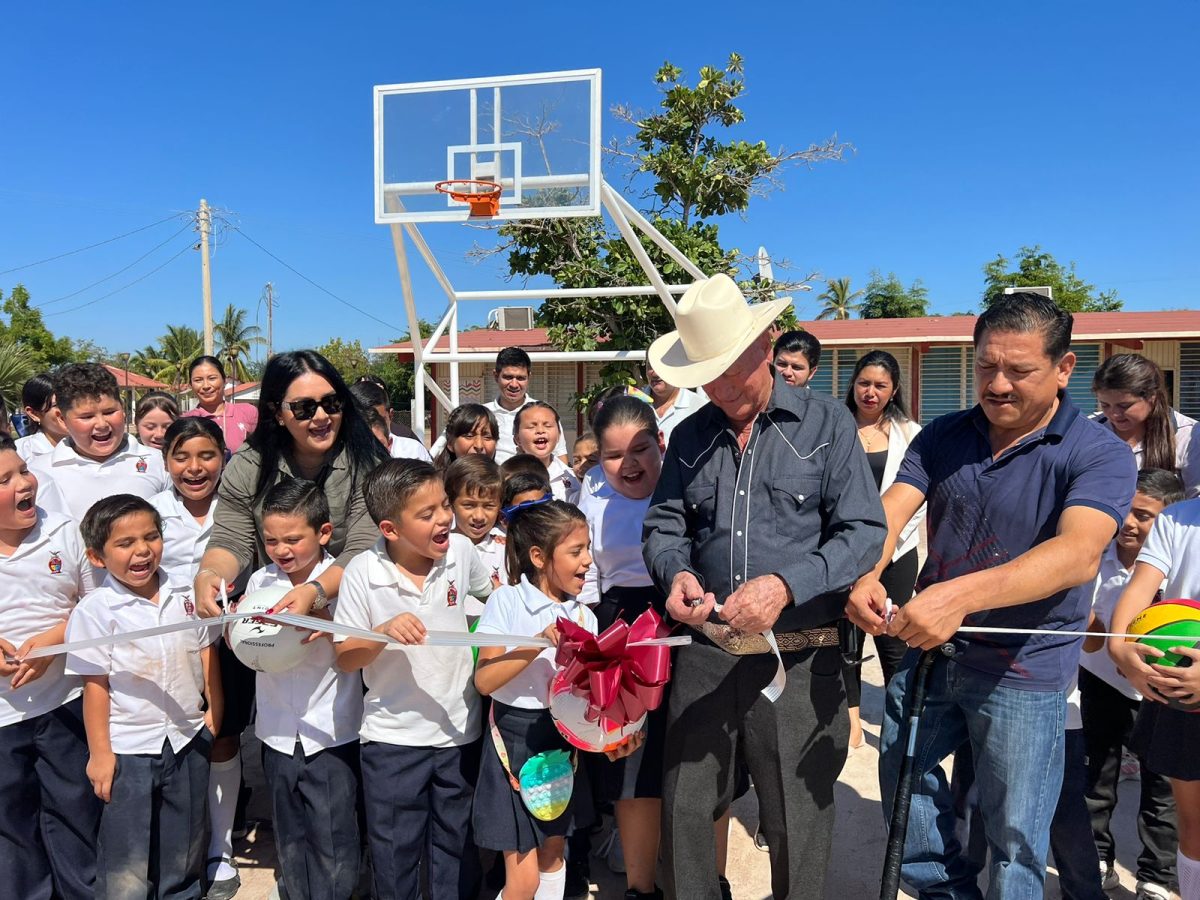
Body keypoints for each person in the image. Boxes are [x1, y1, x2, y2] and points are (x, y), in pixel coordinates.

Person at [847, 291, 1138, 898]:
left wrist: (956, 598)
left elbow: (1078, 552)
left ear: (1064, 369)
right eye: (985, 367)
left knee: (1014, 845)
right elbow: (887, 519)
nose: (998, 385)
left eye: (1019, 371)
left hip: (1024, 670)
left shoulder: (1097, 452)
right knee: (908, 808)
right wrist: (863, 574)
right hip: (932, 656)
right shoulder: (943, 436)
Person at [642, 274, 887, 900]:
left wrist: (786, 583)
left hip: (800, 656)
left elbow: (863, 532)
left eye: (733, 369)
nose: (722, 387)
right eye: (708, 374)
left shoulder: (828, 424)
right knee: (686, 809)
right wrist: (678, 574)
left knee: (796, 819)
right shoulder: (692, 436)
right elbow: (665, 526)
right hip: (705, 654)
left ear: (769, 342)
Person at [192, 349, 387, 894]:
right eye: (304, 408)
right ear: (277, 412)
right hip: (272, 623)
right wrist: (211, 575)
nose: (321, 416)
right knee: (291, 806)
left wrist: (314, 591)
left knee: (339, 804)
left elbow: (368, 548)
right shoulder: (247, 467)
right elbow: (229, 538)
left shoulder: (366, 462)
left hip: (350, 620)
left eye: (332, 402)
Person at [335, 459, 492, 900]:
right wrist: (381, 634)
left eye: (444, 505)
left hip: (460, 733)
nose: (444, 518)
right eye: (426, 515)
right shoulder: (363, 573)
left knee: (455, 850)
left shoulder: (461, 554)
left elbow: (491, 600)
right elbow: (346, 658)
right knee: (394, 853)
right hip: (392, 742)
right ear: (390, 529)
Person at [66, 494, 222, 899]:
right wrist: (101, 754)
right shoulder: (95, 611)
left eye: (151, 537)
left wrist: (213, 708)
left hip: (187, 738)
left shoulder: (186, 594)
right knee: (126, 858)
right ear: (97, 557)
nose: (142, 551)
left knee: (185, 844)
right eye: (124, 543)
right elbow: (95, 686)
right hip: (129, 748)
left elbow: (206, 651)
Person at [473, 498, 617, 900]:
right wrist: (534, 644)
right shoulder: (507, 602)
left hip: (562, 744)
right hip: (514, 741)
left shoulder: (584, 615)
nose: (588, 560)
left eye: (587, 548)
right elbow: (484, 680)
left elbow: (589, 694)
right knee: (523, 879)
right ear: (538, 556)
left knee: (554, 856)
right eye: (576, 551)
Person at [249, 479, 364, 900]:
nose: (282, 550)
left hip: (331, 732)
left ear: (324, 533)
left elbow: (358, 641)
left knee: (333, 832)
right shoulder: (259, 584)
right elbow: (241, 644)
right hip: (276, 732)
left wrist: (325, 616)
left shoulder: (346, 582)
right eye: (272, 540)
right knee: (290, 832)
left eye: (294, 539)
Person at [577, 395, 670, 900]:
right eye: (613, 455)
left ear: (660, 443)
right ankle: (641, 885)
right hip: (619, 625)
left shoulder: (688, 478)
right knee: (633, 755)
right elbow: (583, 565)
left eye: (639, 449)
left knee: (692, 751)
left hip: (686, 617)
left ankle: (702, 876)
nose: (627, 464)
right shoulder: (589, 491)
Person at [0, 434, 101, 900]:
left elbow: (98, 606)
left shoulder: (64, 532)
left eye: (23, 470)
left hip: (65, 703)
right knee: (12, 827)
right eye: (6, 480)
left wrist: (56, 642)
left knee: (75, 811)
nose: (25, 483)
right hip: (5, 720)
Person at [1079, 468, 1183, 900]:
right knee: (1096, 777)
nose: (1129, 523)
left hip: (1164, 690)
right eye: (1126, 510)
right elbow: (1085, 641)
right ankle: (1096, 858)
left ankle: (1157, 876)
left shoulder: (1179, 567)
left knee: (1163, 788)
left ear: (1172, 522)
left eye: (1143, 515)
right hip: (1102, 682)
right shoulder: (1095, 560)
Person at [1108, 489, 1200, 900]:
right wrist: (1119, 647)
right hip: (1184, 694)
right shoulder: (1178, 519)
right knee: (1193, 824)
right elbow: (1137, 593)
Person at [840, 350, 923, 749]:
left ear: (893, 391)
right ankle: (851, 720)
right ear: (852, 384)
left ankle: (901, 719)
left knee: (893, 635)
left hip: (897, 553)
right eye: (864, 383)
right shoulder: (835, 425)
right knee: (845, 636)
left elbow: (920, 501)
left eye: (880, 386)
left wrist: (887, 550)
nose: (870, 392)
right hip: (842, 550)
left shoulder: (911, 434)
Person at [28, 363, 170, 522]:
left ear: (123, 409)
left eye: (110, 412)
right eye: (87, 417)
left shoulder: (160, 462)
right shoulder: (38, 472)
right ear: (62, 419)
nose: (102, 424)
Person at [430, 348, 567, 463]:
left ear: (529, 377)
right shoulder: (480, 415)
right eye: (508, 377)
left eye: (520, 378)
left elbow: (561, 459)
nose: (514, 384)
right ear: (496, 376)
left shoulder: (545, 416)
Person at [1093, 353, 1199, 495]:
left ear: (1151, 397)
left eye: (1124, 406)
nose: (1114, 414)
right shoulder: (1090, 429)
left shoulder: (1188, 436)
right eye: (1105, 405)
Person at [151, 417, 225, 584]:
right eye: (181, 458)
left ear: (223, 459)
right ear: (165, 462)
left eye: (206, 457)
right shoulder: (151, 511)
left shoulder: (239, 508)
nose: (194, 468)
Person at [445, 454, 506, 596]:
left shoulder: (506, 549)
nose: (479, 516)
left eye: (489, 506)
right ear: (450, 503)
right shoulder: (440, 547)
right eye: (469, 505)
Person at [183, 356, 259, 456]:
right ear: (191, 385)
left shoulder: (248, 412)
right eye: (198, 380)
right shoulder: (185, 421)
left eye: (212, 378)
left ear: (224, 380)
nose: (206, 386)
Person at [350, 379, 431, 462]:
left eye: (379, 420)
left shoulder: (413, 452)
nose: (370, 430)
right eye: (361, 423)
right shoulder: (341, 457)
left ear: (390, 415)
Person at [513, 401, 579, 502]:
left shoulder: (572, 478)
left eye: (547, 426)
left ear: (559, 436)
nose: (540, 431)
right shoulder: (507, 476)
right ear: (517, 439)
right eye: (531, 426)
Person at [644, 367, 706, 445]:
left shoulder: (700, 408)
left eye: (661, 365)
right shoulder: (631, 405)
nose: (655, 373)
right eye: (651, 365)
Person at [15, 373, 69, 462]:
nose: (68, 410)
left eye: (70, 403)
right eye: (58, 405)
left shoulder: (94, 445)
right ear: (33, 414)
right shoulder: (20, 453)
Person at [432, 403, 499, 471]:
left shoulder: (504, 479)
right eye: (469, 436)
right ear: (450, 443)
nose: (479, 446)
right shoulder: (435, 480)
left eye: (487, 437)